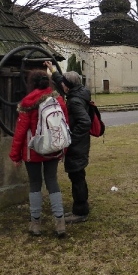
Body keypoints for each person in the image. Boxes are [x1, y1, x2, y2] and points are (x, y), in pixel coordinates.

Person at [9, 70, 68, 238]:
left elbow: (20, 131)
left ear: (32, 83)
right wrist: (64, 149)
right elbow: (64, 125)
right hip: (53, 148)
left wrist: (15, 155)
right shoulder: (58, 100)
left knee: (35, 184)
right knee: (52, 181)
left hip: (32, 149)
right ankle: (60, 221)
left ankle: (35, 223)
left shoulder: (28, 102)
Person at [44, 61, 92, 224]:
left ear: (68, 86)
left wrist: (70, 137)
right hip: (81, 144)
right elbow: (62, 81)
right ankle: (81, 206)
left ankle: (80, 211)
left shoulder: (75, 101)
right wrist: (52, 70)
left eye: (63, 84)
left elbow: (85, 122)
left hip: (77, 146)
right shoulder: (79, 91)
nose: (61, 85)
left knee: (77, 176)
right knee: (78, 175)